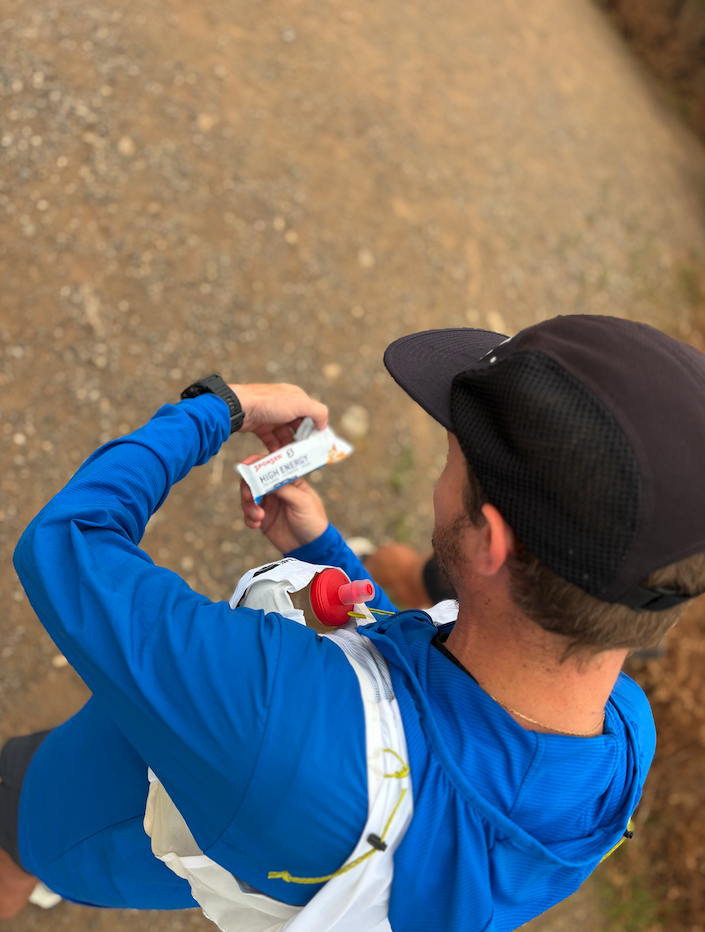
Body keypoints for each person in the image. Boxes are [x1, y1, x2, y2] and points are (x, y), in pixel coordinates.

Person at [3, 316, 705, 931]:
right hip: (269, 842)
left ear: (492, 544)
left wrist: (216, 408)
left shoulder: (278, 719)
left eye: (449, 460)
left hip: (95, 812)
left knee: (10, 823)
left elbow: (68, 541)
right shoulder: (620, 735)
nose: (440, 477)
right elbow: (431, 712)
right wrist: (321, 558)